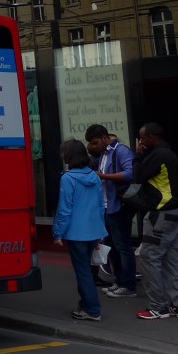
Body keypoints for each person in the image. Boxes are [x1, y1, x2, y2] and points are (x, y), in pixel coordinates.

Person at [131, 122, 178, 320]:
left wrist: (138, 155)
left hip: (160, 215)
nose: (141, 141)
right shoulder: (170, 154)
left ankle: (158, 307)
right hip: (175, 213)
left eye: (142, 137)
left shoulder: (157, 156)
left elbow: (137, 176)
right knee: (172, 259)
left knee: (149, 257)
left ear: (153, 137)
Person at [53, 138, 107, 322]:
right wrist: (101, 230)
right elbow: (101, 206)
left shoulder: (67, 178)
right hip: (93, 230)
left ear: (68, 156)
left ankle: (91, 309)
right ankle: (86, 306)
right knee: (87, 269)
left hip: (76, 232)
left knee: (82, 271)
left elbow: (65, 209)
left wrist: (58, 232)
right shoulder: (94, 176)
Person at [85, 123, 137, 298]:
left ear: (105, 138)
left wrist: (104, 176)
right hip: (108, 206)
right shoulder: (103, 154)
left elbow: (130, 173)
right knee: (113, 247)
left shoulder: (121, 150)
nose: (93, 146)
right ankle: (119, 281)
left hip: (119, 206)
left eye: (95, 142)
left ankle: (129, 285)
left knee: (123, 247)